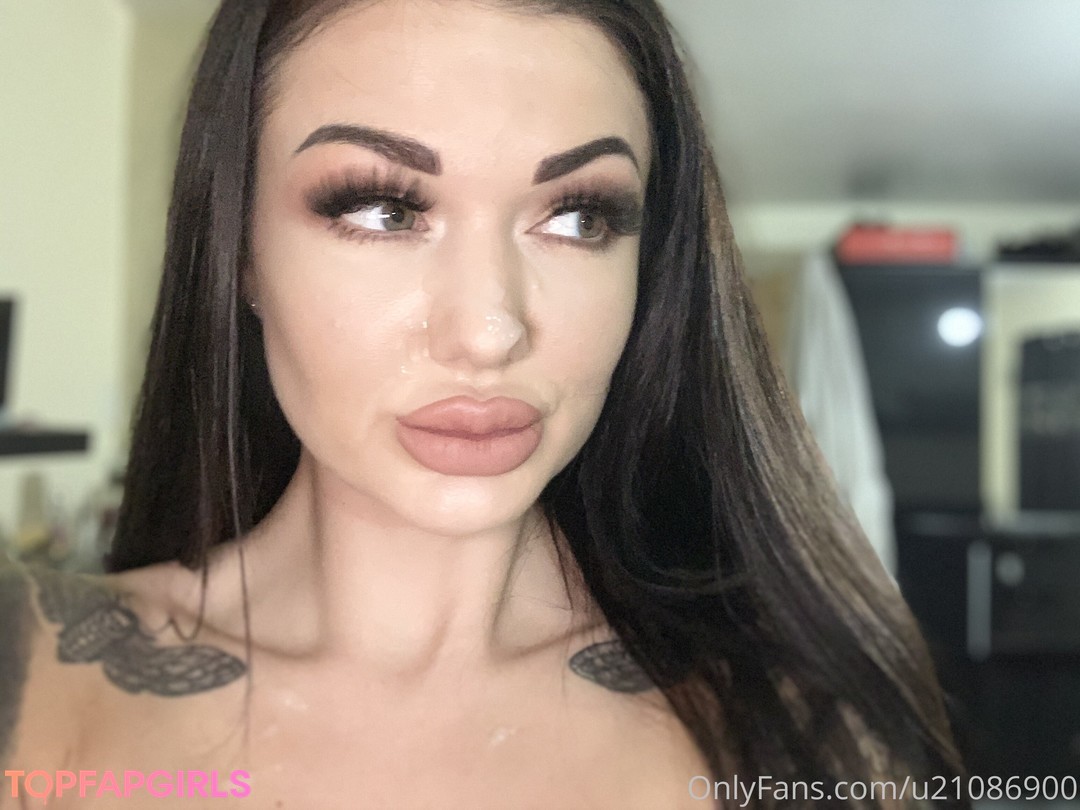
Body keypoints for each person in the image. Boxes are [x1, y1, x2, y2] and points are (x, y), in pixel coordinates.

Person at [0, 0, 969, 807]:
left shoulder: (804, 736)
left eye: (578, 217)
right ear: (241, 249)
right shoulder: (33, 675)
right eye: (383, 208)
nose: (490, 331)